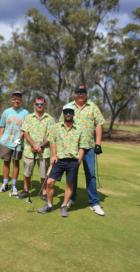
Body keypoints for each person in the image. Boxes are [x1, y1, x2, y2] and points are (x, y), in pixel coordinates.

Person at [61, 85, 105, 216]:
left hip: (89, 146)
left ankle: (94, 202)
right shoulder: (68, 107)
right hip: (72, 149)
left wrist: (98, 144)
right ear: (74, 94)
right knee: (71, 174)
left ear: (86, 94)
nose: (81, 94)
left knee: (90, 174)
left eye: (83, 92)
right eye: (78, 92)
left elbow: (98, 124)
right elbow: (61, 125)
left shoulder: (93, 107)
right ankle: (71, 198)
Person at [38, 104, 87, 217]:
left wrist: (78, 161)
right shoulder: (56, 127)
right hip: (59, 160)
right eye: (66, 112)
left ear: (74, 113)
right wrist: (53, 155)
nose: (68, 114)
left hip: (73, 161)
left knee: (70, 185)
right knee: (50, 182)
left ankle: (64, 206)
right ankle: (49, 205)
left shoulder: (79, 128)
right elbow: (53, 141)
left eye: (70, 112)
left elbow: (82, 146)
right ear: (63, 113)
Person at [17, 96, 54, 201]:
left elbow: (51, 135)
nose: (39, 106)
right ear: (34, 105)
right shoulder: (29, 117)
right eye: (37, 104)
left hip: (44, 151)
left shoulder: (50, 119)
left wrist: (40, 146)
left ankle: (44, 193)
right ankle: (26, 190)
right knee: (27, 172)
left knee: (43, 173)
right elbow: (25, 132)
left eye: (41, 104)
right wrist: (34, 145)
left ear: (44, 105)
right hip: (30, 150)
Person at [0, 91, 29, 195]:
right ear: (12, 100)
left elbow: (25, 129)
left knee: (16, 163)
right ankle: (5, 184)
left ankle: (14, 186)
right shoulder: (6, 112)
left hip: (17, 143)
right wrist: (1, 139)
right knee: (6, 162)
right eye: (14, 99)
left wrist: (19, 138)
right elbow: (2, 126)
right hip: (6, 142)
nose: (16, 101)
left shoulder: (25, 113)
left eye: (18, 99)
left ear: (21, 100)